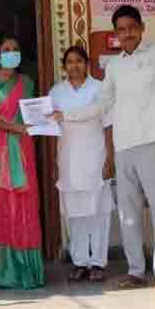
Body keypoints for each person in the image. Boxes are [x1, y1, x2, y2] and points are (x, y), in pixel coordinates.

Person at [53, 0, 155, 292]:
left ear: (141, 29)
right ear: (115, 34)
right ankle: (135, 270)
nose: (127, 34)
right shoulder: (114, 66)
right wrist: (68, 116)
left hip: (153, 142)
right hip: (123, 146)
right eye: (121, 29)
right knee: (128, 213)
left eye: (131, 28)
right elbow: (101, 105)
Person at [0, 36, 44, 289]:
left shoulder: (26, 82)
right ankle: (2, 270)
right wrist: (16, 128)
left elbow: (33, 113)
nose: (11, 53)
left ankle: (27, 269)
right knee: (0, 202)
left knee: (25, 203)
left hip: (23, 146)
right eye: (6, 49)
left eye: (15, 49)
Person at [49, 45, 114, 283]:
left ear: (87, 63)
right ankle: (79, 263)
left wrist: (110, 157)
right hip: (67, 158)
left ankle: (97, 263)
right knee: (74, 214)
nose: (74, 66)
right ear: (64, 66)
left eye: (79, 61)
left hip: (96, 156)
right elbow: (50, 128)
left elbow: (108, 125)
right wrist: (55, 162)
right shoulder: (56, 92)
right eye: (70, 62)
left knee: (98, 212)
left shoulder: (99, 88)